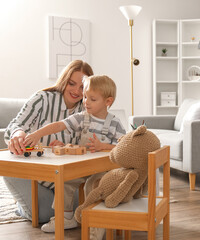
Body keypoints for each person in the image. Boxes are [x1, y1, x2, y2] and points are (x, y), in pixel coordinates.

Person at [24, 75, 126, 232]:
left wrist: (103, 146)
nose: (85, 102)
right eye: (85, 97)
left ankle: (97, 222)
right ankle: (65, 218)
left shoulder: (114, 123)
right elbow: (59, 126)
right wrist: (37, 134)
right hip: (83, 167)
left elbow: (124, 147)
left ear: (108, 102)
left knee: (94, 184)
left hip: (104, 170)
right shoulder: (82, 118)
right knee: (64, 181)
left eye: (92, 99)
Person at [3, 60, 93, 225]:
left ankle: (34, 200)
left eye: (82, 87)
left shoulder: (86, 109)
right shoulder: (42, 99)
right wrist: (18, 133)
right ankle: (22, 205)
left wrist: (66, 147)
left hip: (62, 177)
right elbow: (13, 127)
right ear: (64, 80)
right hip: (32, 173)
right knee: (45, 215)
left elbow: (86, 147)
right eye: (71, 83)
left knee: (80, 208)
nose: (76, 91)